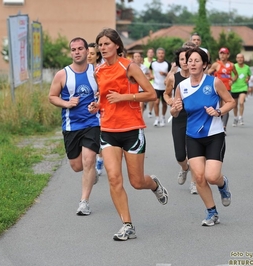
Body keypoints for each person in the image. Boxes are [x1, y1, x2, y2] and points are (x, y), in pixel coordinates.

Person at [89, 28, 169, 241]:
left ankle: (153, 183)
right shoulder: (98, 70)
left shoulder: (129, 66)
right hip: (108, 130)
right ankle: (127, 225)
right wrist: (96, 105)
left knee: (136, 182)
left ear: (117, 45)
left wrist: (125, 97)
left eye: (106, 44)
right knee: (114, 179)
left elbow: (151, 94)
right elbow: (104, 98)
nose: (102, 48)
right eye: (100, 45)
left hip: (132, 129)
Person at [170, 47, 235, 226]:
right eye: (189, 60)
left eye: (196, 60)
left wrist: (219, 111)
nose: (192, 63)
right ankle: (212, 212)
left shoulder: (214, 83)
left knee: (212, 176)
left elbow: (231, 101)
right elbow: (174, 112)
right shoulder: (181, 87)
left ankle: (223, 184)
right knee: (199, 177)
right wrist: (174, 110)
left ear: (205, 64)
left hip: (214, 135)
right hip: (192, 136)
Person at [49, 37, 100, 216]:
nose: (77, 52)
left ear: (87, 51)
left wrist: (98, 105)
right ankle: (91, 174)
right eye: (73, 49)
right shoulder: (62, 74)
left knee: (89, 160)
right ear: (71, 52)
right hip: (71, 125)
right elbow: (52, 96)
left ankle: (84, 202)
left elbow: (105, 94)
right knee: (77, 166)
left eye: (80, 48)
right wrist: (67, 103)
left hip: (93, 123)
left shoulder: (97, 72)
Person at [163, 45, 198, 194]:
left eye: (187, 59)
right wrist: (170, 101)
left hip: (195, 118)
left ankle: (194, 183)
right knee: (180, 155)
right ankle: (184, 168)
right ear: (178, 61)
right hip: (178, 117)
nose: (185, 62)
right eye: (182, 59)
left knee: (193, 153)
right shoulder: (173, 77)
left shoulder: (197, 77)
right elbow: (166, 93)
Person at [207, 47, 238, 134]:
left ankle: (223, 127)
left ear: (228, 55)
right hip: (216, 89)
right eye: (221, 53)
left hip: (227, 88)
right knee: (218, 107)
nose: (222, 55)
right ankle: (218, 125)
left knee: (226, 107)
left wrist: (232, 80)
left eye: (224, 53)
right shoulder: (216, 64)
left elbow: (236, 75)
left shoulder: (231, 65)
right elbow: (208, 73)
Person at [87, 42, 104, 176]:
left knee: (100, 139)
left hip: (101, 109)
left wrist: (100, 93)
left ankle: (100, 160)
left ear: (97, 55)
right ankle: (92, 167)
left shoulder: (101, 70)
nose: (89, 56)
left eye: (92, 53)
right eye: (87, 53)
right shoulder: (82, 70)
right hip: (86, 111)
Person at [150, 47, 171, 127]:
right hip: (156, 86)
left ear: (164, 54)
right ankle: (157, 118)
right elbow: (150, 71)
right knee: (156, 102)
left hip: (165, 87)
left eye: (162, 53)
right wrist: (151, 75)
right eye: (159, 53)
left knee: (164, 104)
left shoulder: (167, 64)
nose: (161, 55)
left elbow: (170, 75)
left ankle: (163, 117)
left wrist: (165, 74)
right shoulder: (153, 63)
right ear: (156, 54)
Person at [231, 53, 251, 126]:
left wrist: (247, 79)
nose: (240, 59)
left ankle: (241, 117)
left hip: (243, 87)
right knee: (235, 105)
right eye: (238, 58)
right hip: (234, 87)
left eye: (241, 57)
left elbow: (249, 75)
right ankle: (235, 118)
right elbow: (229, 75)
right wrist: (231, 80)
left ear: (243, 59)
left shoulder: (247, 67)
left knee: (241, 102)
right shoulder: (233, 66)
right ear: (236, 59)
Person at [143, 48, 156, 118]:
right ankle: (144, 105)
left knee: (152, 97)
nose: (150, 53)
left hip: (153, 82)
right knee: (144, 97)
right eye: (149, 52)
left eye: (152, 52)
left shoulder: (155, 61)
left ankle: (150, 111)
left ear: (153, 54)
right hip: (144, 81)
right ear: (147, 53)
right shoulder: (144, 61)